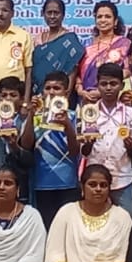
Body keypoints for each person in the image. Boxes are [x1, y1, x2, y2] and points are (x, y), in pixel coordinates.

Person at [84, 63, 132, 216]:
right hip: (95, 179)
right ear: (97, 85)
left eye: (113, 84)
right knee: (94, 218)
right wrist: (88, 143)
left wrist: (130, 146)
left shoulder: (131, 114)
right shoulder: (88, 112)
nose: (108, 88)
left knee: (127, 221)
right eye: (104, 84)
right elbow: (84, 151)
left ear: (122, 85)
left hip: (122, 177)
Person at [28, 71, 81, 227]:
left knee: (68, 227)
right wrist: (31, 115)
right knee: (47, 226)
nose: (51, 92)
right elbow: (26, 145)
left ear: (66, 92)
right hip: (41, 183)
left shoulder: (74, 116)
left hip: (68, 183)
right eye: (47, 88)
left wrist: (67, 125)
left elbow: (74, 152)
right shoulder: (36, 116)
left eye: (56, 88)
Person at [77, 0, 131, 102]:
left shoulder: (124, 44)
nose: (103, 20)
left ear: (115, 21)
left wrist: (102, 90)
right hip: (85, 98)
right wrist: (80, 91)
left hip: (112, 97)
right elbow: (77, 73)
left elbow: (128, 71)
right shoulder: (85, 44)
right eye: (99, 17)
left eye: (107, 16)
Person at [30, 0, 83, 96]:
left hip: (61, 92)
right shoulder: (37, 39)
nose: (52, 16)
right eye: (49, 13)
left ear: (63, 15)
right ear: (43, 14)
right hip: (39, 92)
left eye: (56, 13)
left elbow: (72, 69)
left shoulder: (70, 39)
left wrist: (67, 94)